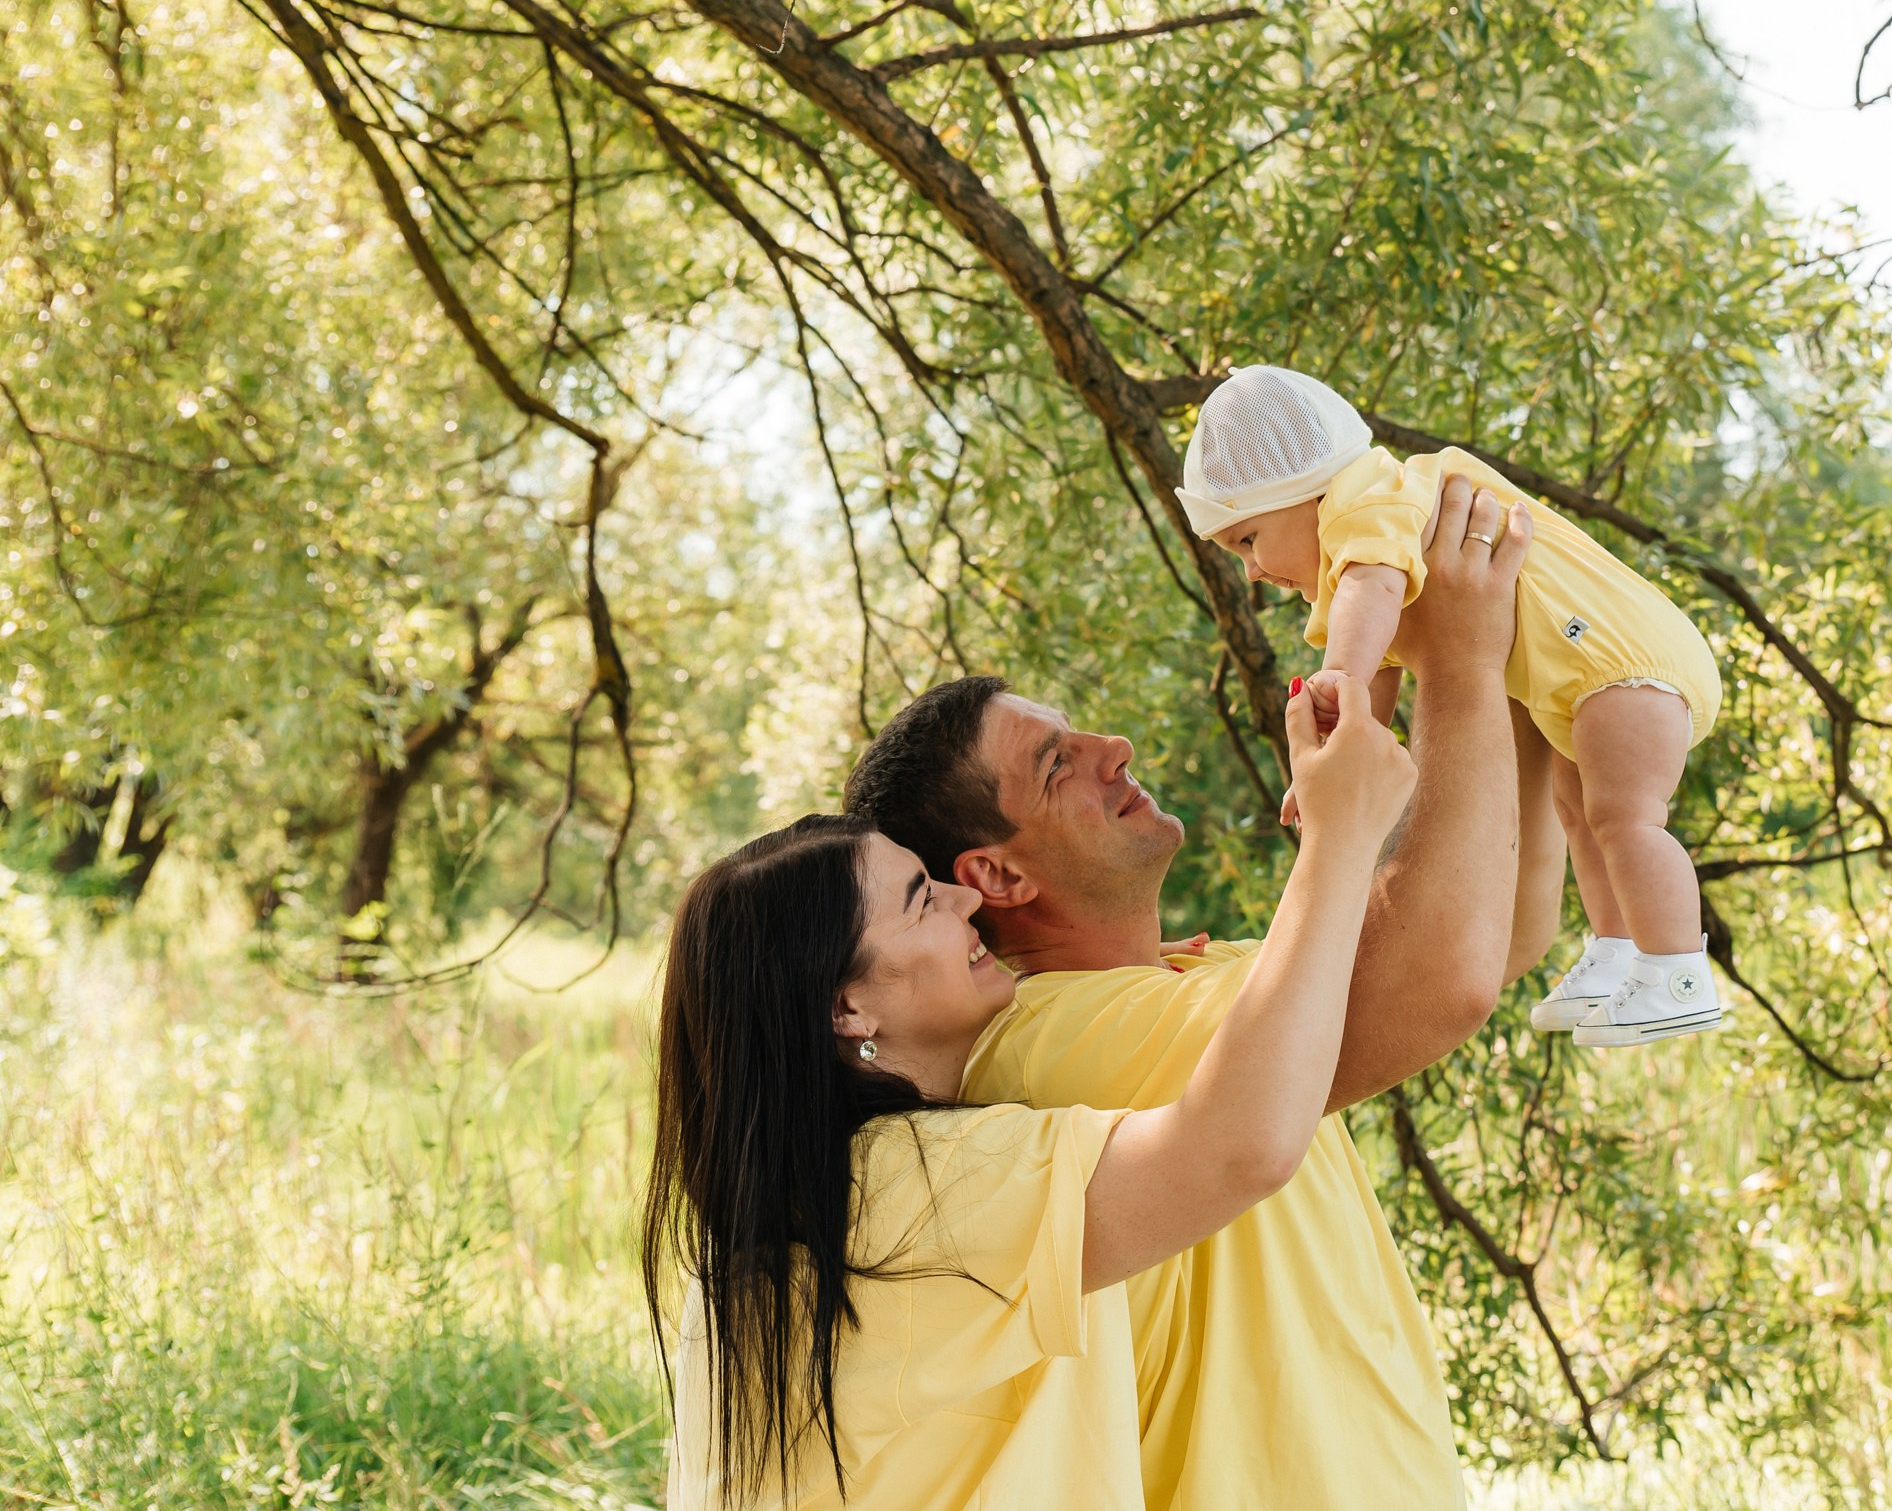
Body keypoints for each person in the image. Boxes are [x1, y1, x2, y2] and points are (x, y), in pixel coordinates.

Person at [842, 478, 1555, 1511]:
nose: (1112, 750)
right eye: (1059, 765)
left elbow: (1498, 928)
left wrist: (1513, 685)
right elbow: (1438, 976)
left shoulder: (1200, 973)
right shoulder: (1048, 1046)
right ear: (995, 877)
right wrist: (1461, 658)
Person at [647, 671, 1415, 1509]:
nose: (967, 897)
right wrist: (1341, 834)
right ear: (847, 1005)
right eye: (921, 899)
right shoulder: (914, 1188)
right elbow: (1242, 1145)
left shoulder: (804, 1209)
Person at [1177, 364, 1726, 1046]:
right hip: (1587, 687)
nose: (1251, 570)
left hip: (1624, 666)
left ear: (1303, 493)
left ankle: (1676, 971)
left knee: (1627, 817)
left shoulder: (1365, 502)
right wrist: (1343, 742)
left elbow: (1370, 606)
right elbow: (1374, 667)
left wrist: (1337, 677)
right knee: (1581, 814)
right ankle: (1618, 951)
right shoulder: (1364, 552)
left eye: (1248, 540)